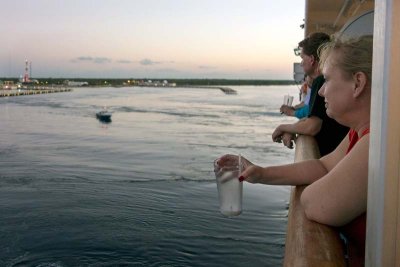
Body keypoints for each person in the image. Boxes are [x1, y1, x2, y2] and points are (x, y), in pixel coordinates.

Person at [216, 35, 373, 266]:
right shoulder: (358, 133)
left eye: (328, 80)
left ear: (357, 83)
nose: (321, 92)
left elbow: (314, 202)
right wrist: (260, 173)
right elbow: (323, 165)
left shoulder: (375, 144)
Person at [273, 32, 349, 156]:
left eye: (303, 58)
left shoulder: (320, 82)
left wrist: (282, 127)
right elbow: (313, 118)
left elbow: (313, 126)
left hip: (329, 155)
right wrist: (293, 127)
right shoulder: (328, 81)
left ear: (312, 59)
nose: (301, 63)